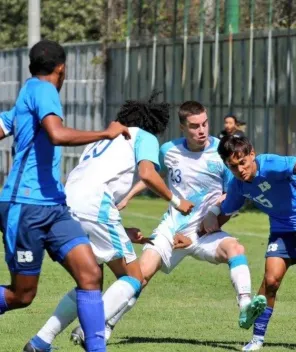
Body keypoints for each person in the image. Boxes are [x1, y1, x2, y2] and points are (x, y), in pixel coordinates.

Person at [69, 101, 267, 346]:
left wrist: (214, 213)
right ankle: (101, 326)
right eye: (194, 126)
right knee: (138, 277)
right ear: (183, 127)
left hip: (204, 232)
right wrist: (129, 196)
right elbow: (152, 175)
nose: (202, 130)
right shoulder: (168, 150)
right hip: (171, 232)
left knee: (235, 249)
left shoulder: (221, 152)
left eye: (205, 123)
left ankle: (245, 305)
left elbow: (234, 193)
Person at [23, 91, 194, 352]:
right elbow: (147, 174)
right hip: (95, 207)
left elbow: (88, 188)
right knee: (134, 278)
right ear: (155, 125)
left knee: (89, 281)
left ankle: (40, 341)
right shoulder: (143, 136)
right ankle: (92, 328)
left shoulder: (101, 141)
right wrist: (177, 202)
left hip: (67, 205)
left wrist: (122, 231)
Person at [0, 39, 131, 352]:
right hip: (26, 207)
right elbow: (56, 134)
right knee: (23, 295)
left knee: (90, 274)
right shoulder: (44, 90)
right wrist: (105, 132)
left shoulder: (27, 92)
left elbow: (5, 125)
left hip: (55, 208)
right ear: (62, 69)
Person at [203, 135, 296, 351]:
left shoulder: (270, 164)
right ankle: (257, 339)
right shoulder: (238, 186)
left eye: (242, 162)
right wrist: (207, 222)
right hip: (282, 229)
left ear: (252, 154)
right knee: (271, 282)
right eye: (233, 167)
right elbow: (228, 209)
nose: (240, 170)